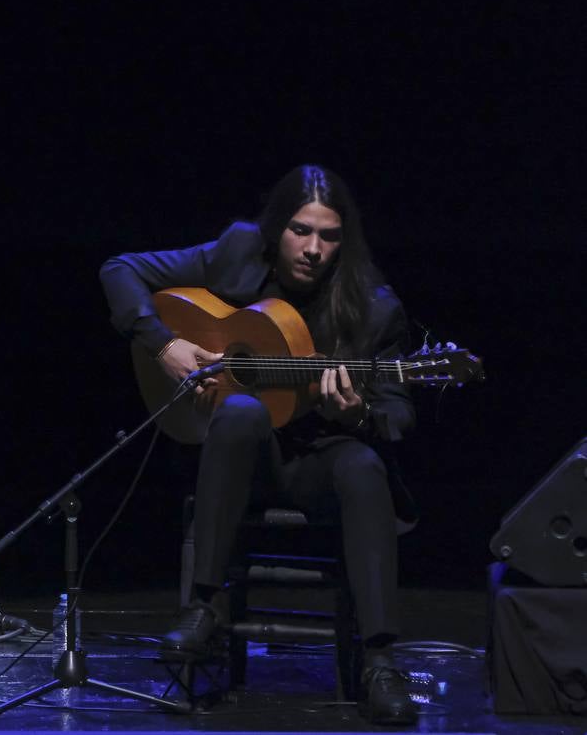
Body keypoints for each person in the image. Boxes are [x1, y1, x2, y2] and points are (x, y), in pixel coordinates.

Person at [99, 164, 418, 725]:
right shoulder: (239, 251)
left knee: (364, 466)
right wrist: (163, 343)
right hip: (244, 461)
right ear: (276, 229)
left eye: (329, 235)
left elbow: (398, 414)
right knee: (242, 409)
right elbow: (120, 268)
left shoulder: (375, 305)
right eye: (301, 230)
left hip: (322, 462)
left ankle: (379, 660)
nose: (314, 248)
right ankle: (204, 608)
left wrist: (360, 413)